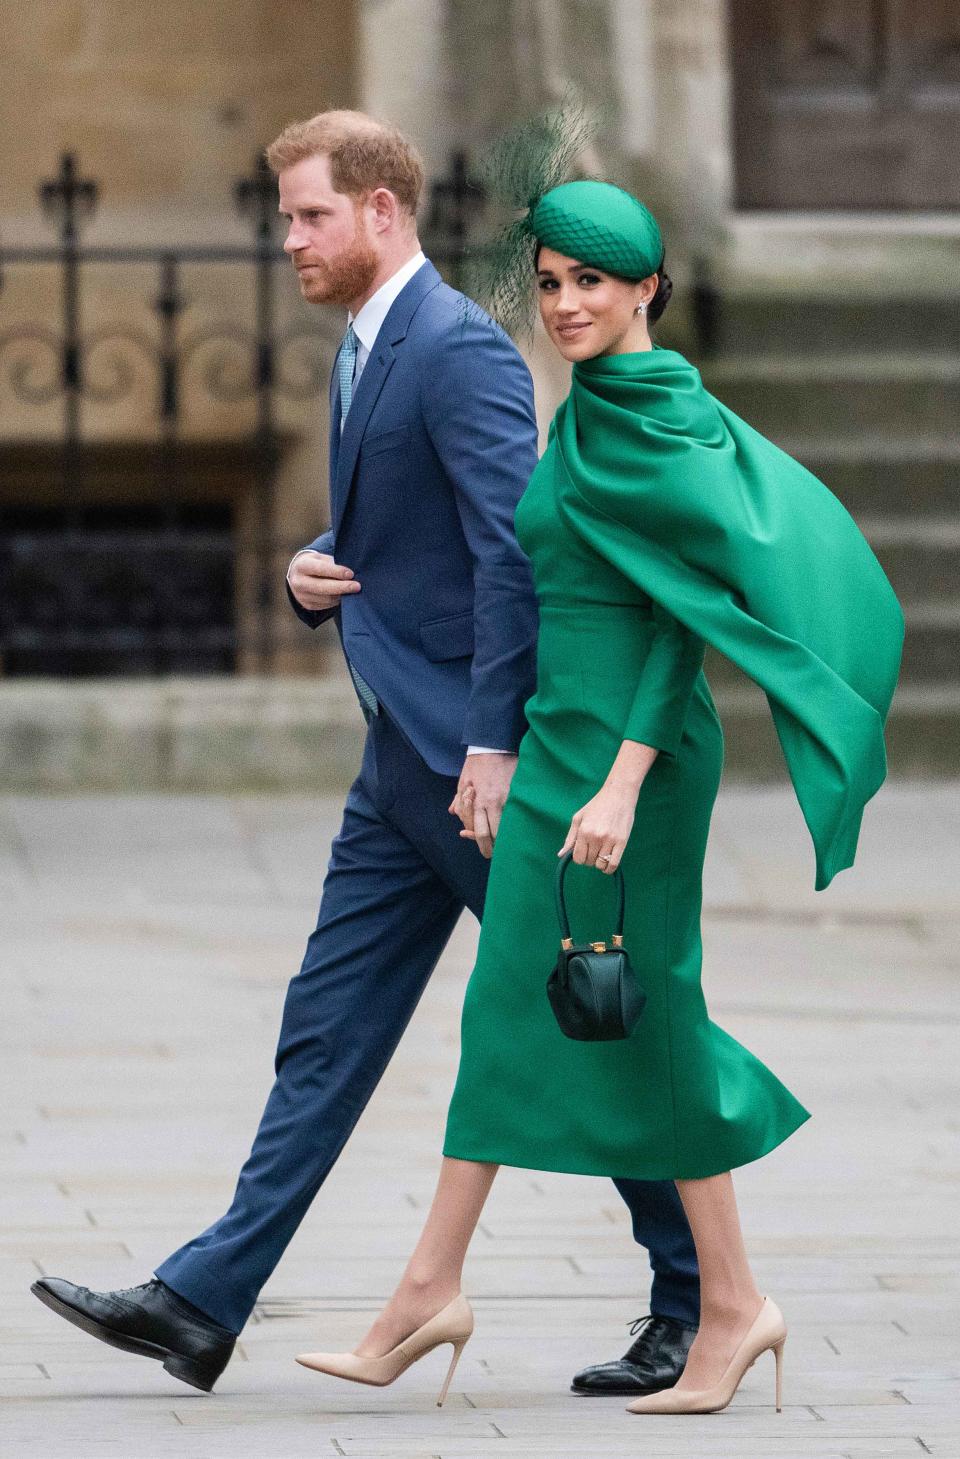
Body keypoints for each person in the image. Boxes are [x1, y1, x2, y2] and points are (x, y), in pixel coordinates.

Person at [30, 117, 703, 1398]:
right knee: (326, 1027)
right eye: (287, 217)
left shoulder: (455, 352)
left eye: (307, 216)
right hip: (401, 761)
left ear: (383, 211)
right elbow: (409, 533)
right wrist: (311, 571)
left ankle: (696, 1296)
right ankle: (203, 1299)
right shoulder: (367, 345)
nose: (288, 238)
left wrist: (496, 744)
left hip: (473, 771)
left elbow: (513, 558)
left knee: (586, 1023)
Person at [295, 178, 904, 1417]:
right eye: (553, 281)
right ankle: (448, 1288)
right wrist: (499, 741)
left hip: (635, 760)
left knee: (649, 1006)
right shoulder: (584, 409)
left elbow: (685, 626)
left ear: (647, 292)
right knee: (522, 1005)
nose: (566, 303)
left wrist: (622, 785)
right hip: (559, 741)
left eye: (592, 283)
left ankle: (712, 1304)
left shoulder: (658, 416)